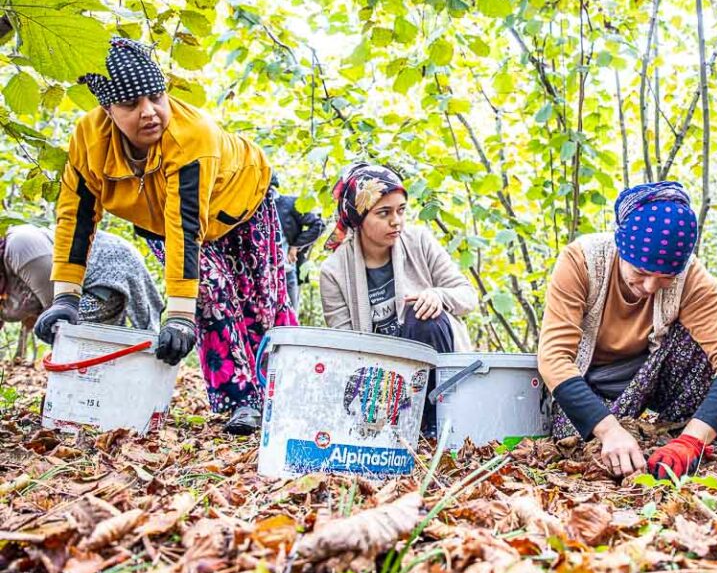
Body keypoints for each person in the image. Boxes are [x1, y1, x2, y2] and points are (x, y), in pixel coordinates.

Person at [34, 37, 297, 435]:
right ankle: (242, 402)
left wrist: (178, 318)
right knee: (209, 292)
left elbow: (186, 225)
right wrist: (65, 297)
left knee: (259, 303)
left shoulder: (193, 135)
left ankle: (283, 392)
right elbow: (77, 217)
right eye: (131, 105)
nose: (150, 113)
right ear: (107, 110)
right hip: (161, 221)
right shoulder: (88, 141)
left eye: (156, 97)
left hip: (241, 203)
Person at [538, 182, 717, 479]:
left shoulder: (692, 279)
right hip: (591, 384)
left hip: (652, 380)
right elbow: (553, 358)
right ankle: (627, 433)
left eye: (666, 277)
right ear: (621, 249)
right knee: (578, 442)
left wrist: (691, 442)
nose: (651, 287)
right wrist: (609, 430)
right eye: (640, 272)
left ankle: (674, 432)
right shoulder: (582, 262)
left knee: (698, 343)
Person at [319, 163, 479, 432]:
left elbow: (467, 296)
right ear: (358, 218)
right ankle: (401, 425)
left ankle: (438, 422)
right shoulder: (334, 272)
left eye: (401, 210)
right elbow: (343, 346)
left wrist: (437, 295)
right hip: (378, 377)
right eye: (384, 213)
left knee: (424, 315)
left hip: (434, 365)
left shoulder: (419, 241)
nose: (397, 221)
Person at [1, 224, 162, 341]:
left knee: (61, 326)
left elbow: (57, 306)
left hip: (107, 269)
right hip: (79, 288)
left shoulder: (20, 245)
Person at [270, 172, 326, 311]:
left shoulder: (290, 204)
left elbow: (318, 225)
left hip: (287, 272)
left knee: (290, 320)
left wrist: (296, 246)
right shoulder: (252, 208)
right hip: (262, 276)